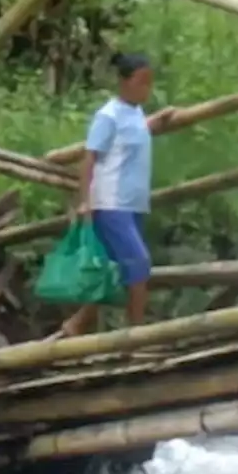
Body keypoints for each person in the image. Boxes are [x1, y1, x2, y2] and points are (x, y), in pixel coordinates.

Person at [61, 52, 175, 337]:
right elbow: (89, 159)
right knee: (138, 263)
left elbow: (133, 133)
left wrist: (154, 122)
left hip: (134, 205)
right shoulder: (107, 116)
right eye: (141, 82)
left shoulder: (135, 114)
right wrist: (85, 202)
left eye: (150, 83)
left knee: (115, 270)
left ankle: (77, 324)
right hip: (111, 205)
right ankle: (135, 336)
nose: (146, 89)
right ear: (124, 82)